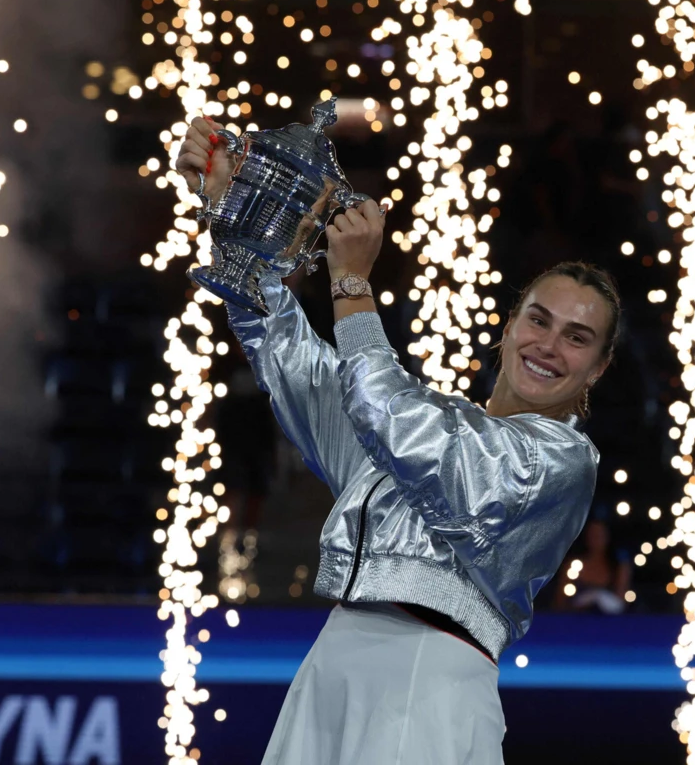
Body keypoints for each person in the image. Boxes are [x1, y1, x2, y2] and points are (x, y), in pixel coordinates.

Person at [175, 117, 621, 764]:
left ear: (598, 369)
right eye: (539, 320)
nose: (549, 345)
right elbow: (296, 364)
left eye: (577, 338)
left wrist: (351, 282)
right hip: (331, 664)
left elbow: (398, 420)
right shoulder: (426, 423)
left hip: (429, 677)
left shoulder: (564, 460)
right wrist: (231, 211)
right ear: (509, 326)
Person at [554, 515, 633, 615]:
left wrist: (599, 598)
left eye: (600, 535)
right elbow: (560, 600)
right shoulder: (573, 565)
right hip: (576, 619)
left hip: (610, 621)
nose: (596, 539)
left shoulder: (619, 566)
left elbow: (620, 601)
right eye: (592, 535)